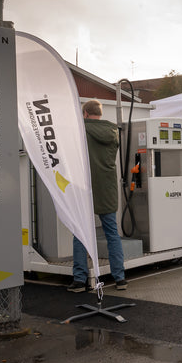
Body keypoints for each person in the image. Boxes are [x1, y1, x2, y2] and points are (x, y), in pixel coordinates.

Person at [68, 100, 127, 292]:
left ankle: (79, 280)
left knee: (80, 234)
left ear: (85, 113)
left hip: (84, 188)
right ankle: (120, 279)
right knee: (112, 234)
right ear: (100, 114)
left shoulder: (79, 130)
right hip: (107, 188)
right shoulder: (113, 132)